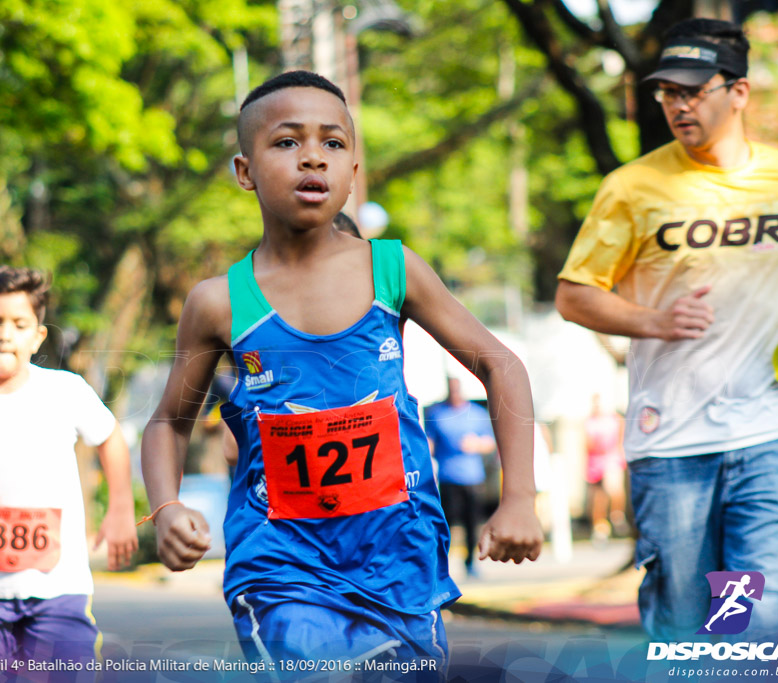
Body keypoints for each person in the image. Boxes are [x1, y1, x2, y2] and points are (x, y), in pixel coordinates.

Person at [140, 70, 543, 674]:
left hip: (398, 557)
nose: (312, 157)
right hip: (280, 562)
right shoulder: (218, 302)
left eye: (333, 143)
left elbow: (501, 366)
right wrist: (166, 506)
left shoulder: (393, 269)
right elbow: (169, 422)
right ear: (244, 171)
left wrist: (518, 498)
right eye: (286, 142)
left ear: (354, 170)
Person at [555, 18, 778, 640]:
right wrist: (654, 320)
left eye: (693, 91)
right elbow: (574, 296)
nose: (678, 106)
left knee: (756, 619)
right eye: (667, 93)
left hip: (769, 429)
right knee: (689, 631)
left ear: (737, 92)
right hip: (672, 443)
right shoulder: (630, 189)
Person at [0, 266, 138, 670]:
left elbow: (110, 437)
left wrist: (121, 508)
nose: (5, 334)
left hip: (60, 587)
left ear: (38, 335)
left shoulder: (65, 390)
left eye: (20, 324)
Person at [424, 377, 497, 578]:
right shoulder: (438, 414)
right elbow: (429, 442)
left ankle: (471, 562)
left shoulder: (476, 413)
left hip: (472, 477)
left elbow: (490, 443)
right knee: (445, 523)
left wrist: (476, 445)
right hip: (448, 477)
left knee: (472, 523)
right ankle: (441, 566)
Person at [582, 393, 627, 544]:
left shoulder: (615, 419)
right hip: (595, 461)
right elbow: (587, 444)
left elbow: (620, 439)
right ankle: (600, 527)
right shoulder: (590, 421)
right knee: (598, 497)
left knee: (613, 489)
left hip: (611, 459)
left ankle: (617, 516)